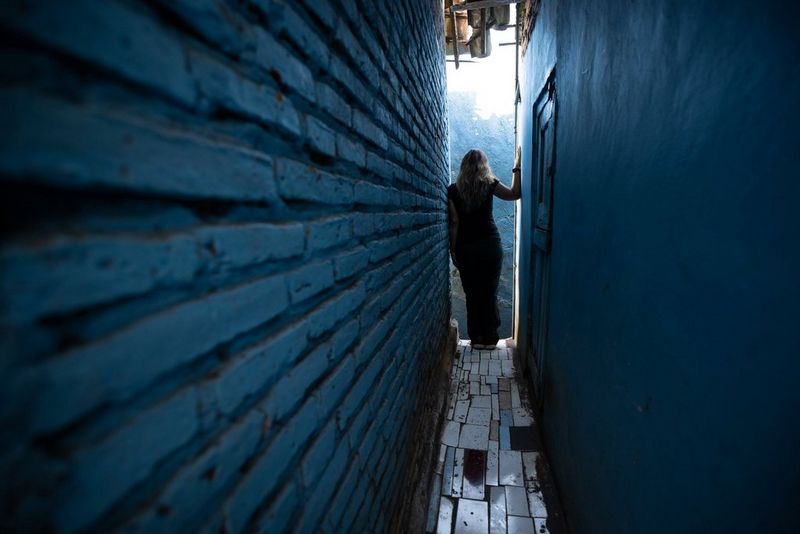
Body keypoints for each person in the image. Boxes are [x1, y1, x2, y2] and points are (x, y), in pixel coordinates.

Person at [448, 147, 521, 349]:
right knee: (489, 292)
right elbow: (515, 194)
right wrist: (516, 166)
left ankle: (476, 338)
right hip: (490, 245)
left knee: (472, 293)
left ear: (463, 167)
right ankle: (490, 338)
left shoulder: (453, 190)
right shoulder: (490, 184)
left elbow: (454, 222)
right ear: (484, 166)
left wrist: (453, 250)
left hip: (466, 247)